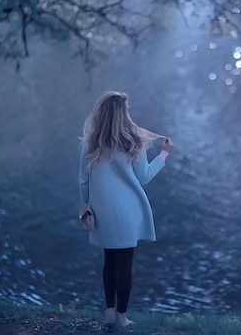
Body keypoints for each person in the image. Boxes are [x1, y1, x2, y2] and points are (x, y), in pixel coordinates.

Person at [79, 90, 174, 327]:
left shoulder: (91, 142)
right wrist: (164, 153)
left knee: (109, 260)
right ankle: (122, 317)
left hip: (102, 211)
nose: (130, 111)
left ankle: (110, 314)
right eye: (127, 109)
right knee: (125, 264)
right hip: (129, 212)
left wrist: (86, 207)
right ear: (123, 114)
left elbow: (83, 180)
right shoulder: (134, 141)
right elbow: (145, 177)